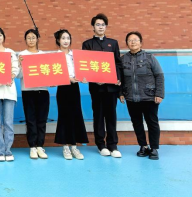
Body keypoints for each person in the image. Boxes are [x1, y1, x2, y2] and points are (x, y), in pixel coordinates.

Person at [82, 13, 123, 159]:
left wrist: (118, 79)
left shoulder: (113, 43)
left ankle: (113, 145)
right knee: (98, 116)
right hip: (97, 88)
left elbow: (118, 63)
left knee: (111, 116)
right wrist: (94, 79)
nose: (100, 27)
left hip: (111, 87)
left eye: (103, 25)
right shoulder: (87, 44)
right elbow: (85, 64)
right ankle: (101, 145)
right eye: (97, 25)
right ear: (93, 27)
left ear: (106, 27)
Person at [120, 32, 164, 161]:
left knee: (152, 122)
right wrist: (120, 93)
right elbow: (120, 78)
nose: (133, 42)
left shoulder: (150, 58)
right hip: (131, 98)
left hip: (149, 97)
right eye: (130, 40)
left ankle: (154, 148)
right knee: (137, 123)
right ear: (127, 43)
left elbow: (159, 76)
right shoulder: (123, 59)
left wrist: (159, 93)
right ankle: (143, 146)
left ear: (141, 43)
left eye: (135, 40)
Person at [54, 29, 89, 160]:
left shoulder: (75, 55)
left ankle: (74, 146)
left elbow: (83, 70)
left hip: (75, 88)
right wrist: (67, 78)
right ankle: (65, 147)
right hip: (63, 88)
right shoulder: (55, 56)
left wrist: (84, 77)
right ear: (58, 40)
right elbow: (54, 74)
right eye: (63, 38)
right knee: (64, 116)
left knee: (76, 115)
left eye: (68, 38)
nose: (66, 41)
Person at [0, 27, 19, 162]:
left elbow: (15, 69)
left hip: (9, 91)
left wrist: (9, 77)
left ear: (4, 37)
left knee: (8, 123)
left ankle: (8, 150)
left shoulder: (10, 52)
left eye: (0, 35)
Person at [18, 29, 50, 160]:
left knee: (42, 120)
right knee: (30, 120)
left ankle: (40, 146)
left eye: (33, 37)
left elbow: (48, 73)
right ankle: (32, 146)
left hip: (43, 91)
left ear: (37, 39)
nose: (31, 40)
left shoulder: (43, 55)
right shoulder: (22, 54)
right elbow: (18, 76)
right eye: (28, 38)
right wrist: (20, 64)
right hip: (28, 91)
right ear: (25, 40)